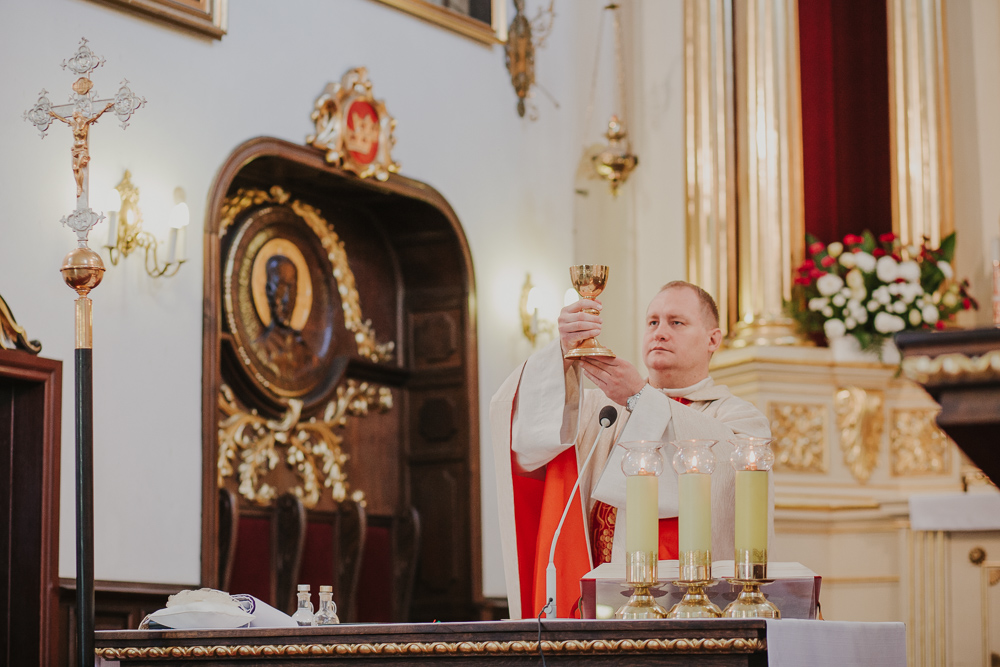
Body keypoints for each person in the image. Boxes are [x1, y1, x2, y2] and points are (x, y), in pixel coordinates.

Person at [490, 280, 772, 619]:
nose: (660, 332)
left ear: (713, 339)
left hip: (695, 609)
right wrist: (562, 355)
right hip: (600, 609)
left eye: (676, 322)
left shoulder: (740, 417)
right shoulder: (602, 412)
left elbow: (725, 472)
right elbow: (527, 441)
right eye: (652, 322)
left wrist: (640, 398)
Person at [254, 254, 313, 376]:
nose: (286, 298)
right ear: (268, 290)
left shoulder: (306, 355)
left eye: (291, 287)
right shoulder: (259, 349)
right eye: (280, 286)